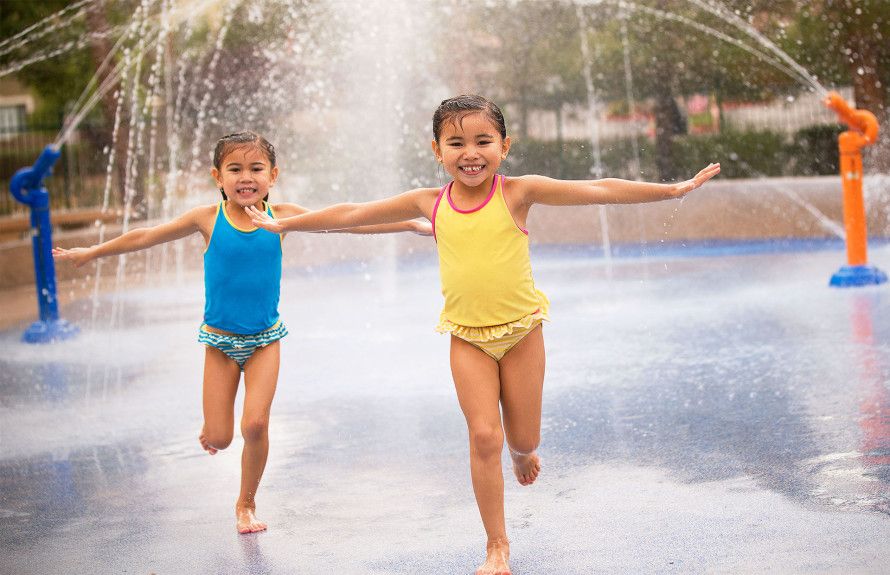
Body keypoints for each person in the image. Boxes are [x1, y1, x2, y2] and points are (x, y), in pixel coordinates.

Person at [246, 96, 720, 575]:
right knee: (483, 435)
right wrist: (287, 223)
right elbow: (352, 213)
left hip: (522, 333)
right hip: (468, 338)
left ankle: (522, 452)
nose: (470, 153)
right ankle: (497, 545)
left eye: (482, 141)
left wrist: (673, 190)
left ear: (504, 146)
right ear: (437, 150)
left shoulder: (518, 192)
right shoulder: (429, 202)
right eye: (456, 143)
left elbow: (597, 189)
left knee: (524, 436)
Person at [53, 131, 430, 535]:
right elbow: (146, 236)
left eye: (256, 168)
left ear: (273, 175)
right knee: (221, 437)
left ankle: (246, 503)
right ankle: (212, 429)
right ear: (218, 176)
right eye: (235, 169)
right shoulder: (206, 219)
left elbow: (345, 220)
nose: (246, 177)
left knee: (255, 425)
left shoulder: (281, 217)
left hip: (265, 341)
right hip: (219, 344)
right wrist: (92, 252)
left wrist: (408, 223)